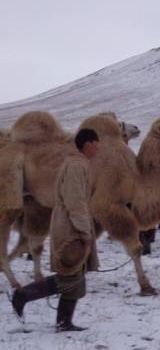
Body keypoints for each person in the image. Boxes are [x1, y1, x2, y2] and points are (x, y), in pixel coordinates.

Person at [10, 128, 100, 331]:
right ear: (87, 144)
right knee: (70, 274)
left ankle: (63, 322)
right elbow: (74, 201)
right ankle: (24, 296)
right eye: (96, 143)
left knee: (74, 275)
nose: (98, 148)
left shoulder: (76, 163)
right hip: (70, 225)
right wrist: (84, 231)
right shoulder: (76, 166)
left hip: (70, 221)